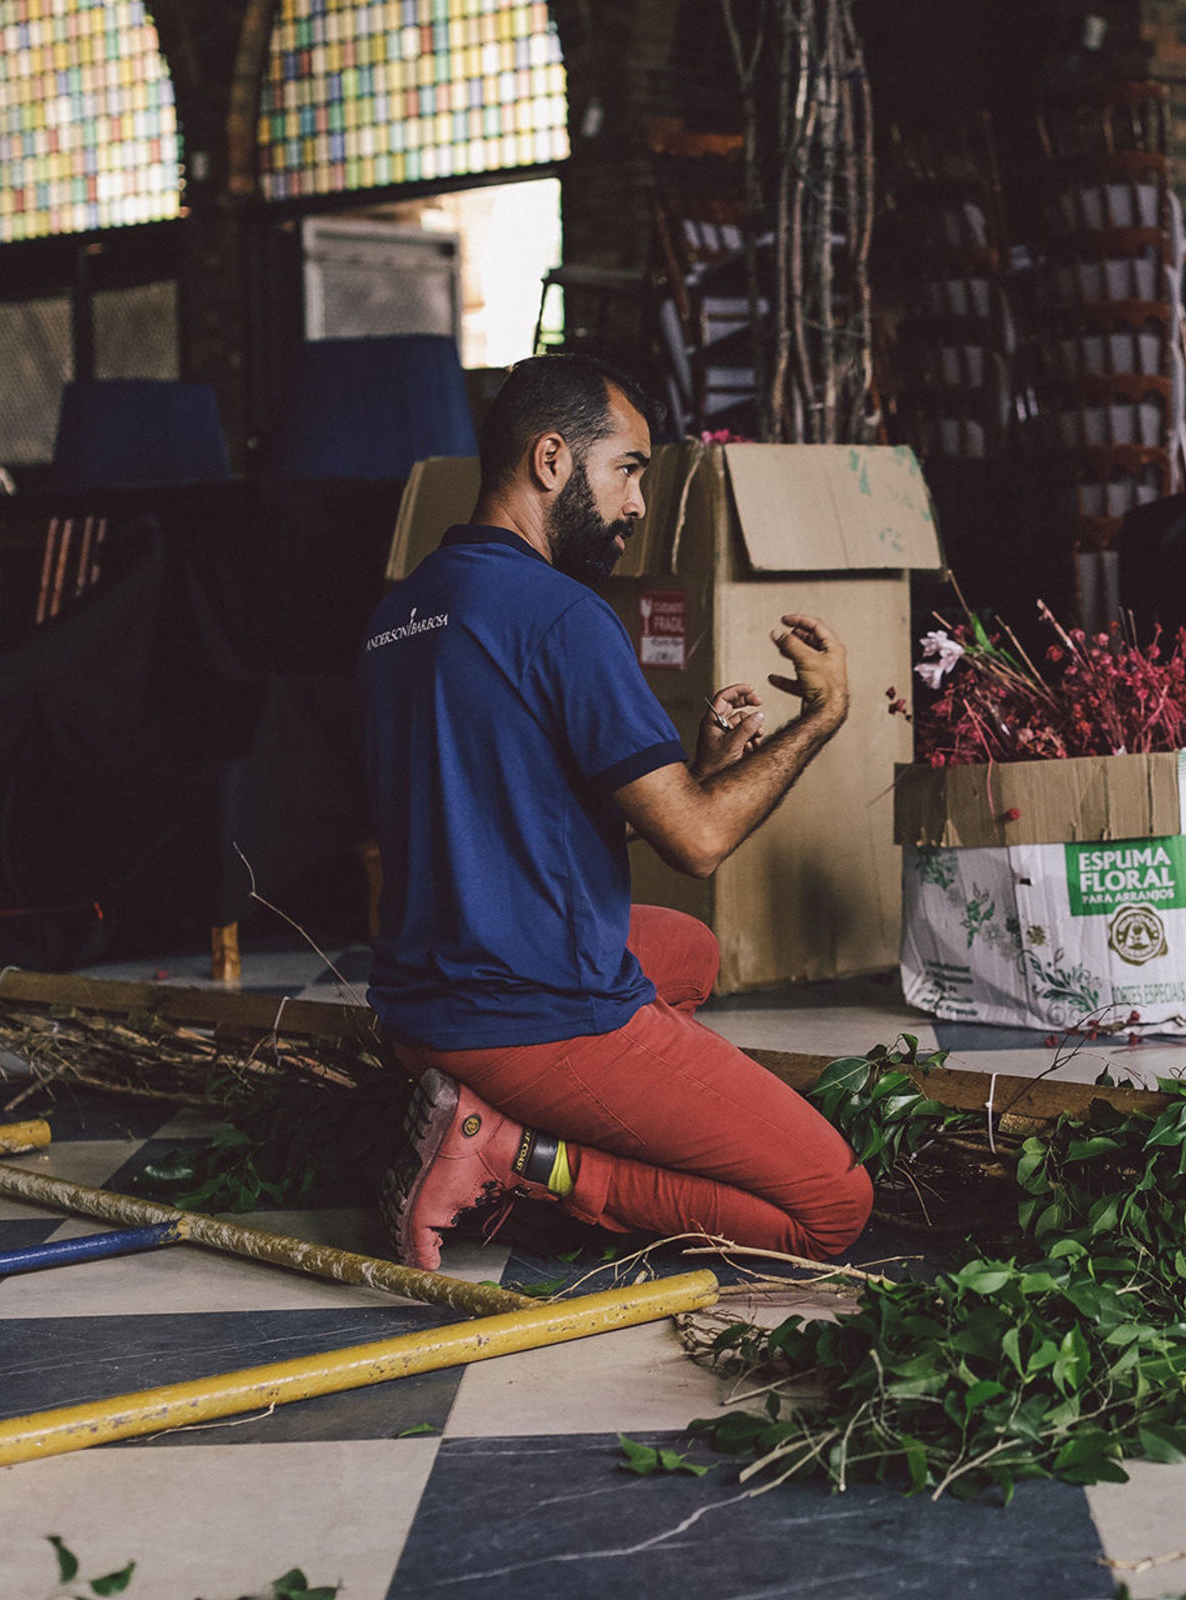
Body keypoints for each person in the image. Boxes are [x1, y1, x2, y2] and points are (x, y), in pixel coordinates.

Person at [361, 353, 872, 1270]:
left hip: (420, 998)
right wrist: (823, 715)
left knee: (691, 953)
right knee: (831, 1208)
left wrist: (702, 770)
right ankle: (519, 1155)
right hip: (532, 1013)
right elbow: (701, 842)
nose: (638, 502)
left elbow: (509, 811)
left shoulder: (404, 611)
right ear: (552, 460)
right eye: (627, 470)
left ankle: (487, 1102)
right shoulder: (561, 616)